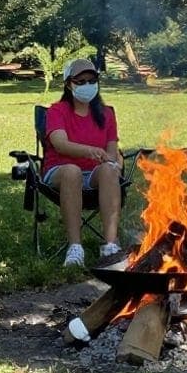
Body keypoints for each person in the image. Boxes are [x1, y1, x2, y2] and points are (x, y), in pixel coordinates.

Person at [43, 58, 123, 267]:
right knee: (72, 171)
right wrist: (90, 151)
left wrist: (115, 163)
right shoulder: (57, 111)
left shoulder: (106, 114)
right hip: (59, 171)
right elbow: (60, 144)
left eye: (92, 80)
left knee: (109, 170)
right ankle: (75, 247)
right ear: (69, 84)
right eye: (81, 81)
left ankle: (110, 245)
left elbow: (111, 152)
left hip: (94, 174)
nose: (87, 85)